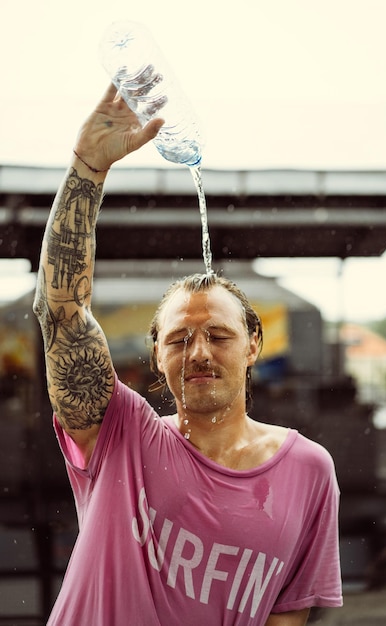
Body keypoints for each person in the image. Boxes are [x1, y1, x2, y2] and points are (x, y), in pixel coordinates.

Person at [33, 83, 343, 626]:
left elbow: (287, 616)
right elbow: (61, 311)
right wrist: (87, 168)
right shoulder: (121, 435)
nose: (198, 352)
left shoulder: (309, 471)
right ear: (157, 356)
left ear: (252, 346)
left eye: (218, 336)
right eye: (178, 339)